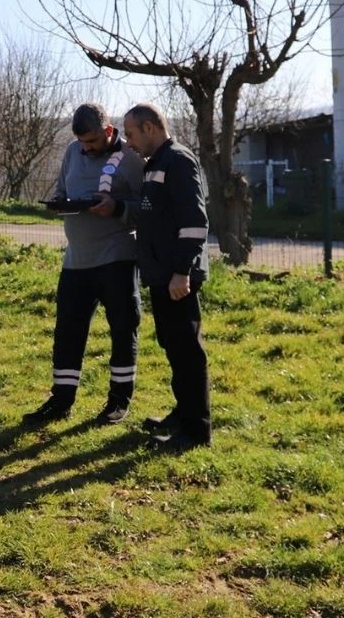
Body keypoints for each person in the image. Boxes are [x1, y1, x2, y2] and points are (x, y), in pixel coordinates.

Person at [23, 103, 145, 426]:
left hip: (117, 258)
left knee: (123, 328)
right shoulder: (71, 152)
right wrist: (60, 205)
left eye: (91, 142)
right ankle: (61, 400)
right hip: (76, 260)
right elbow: (63, 190)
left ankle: (119, 401)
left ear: (108, 131)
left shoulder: (132, 160)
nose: (85, 148)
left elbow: (148, 207)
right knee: (67, 332)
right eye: (81, 142)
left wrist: (117, 207)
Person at [120, 102, 211, 451]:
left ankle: (196, 431)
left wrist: (181, 271)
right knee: (173, 347)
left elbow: (194, 222)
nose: (128, 142)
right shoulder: (154, 164)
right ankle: (182, 414)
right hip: (161, 274)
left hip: (176, 277)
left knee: (187, 352)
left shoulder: (178, 160)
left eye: (130, 134)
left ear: (148, 128)